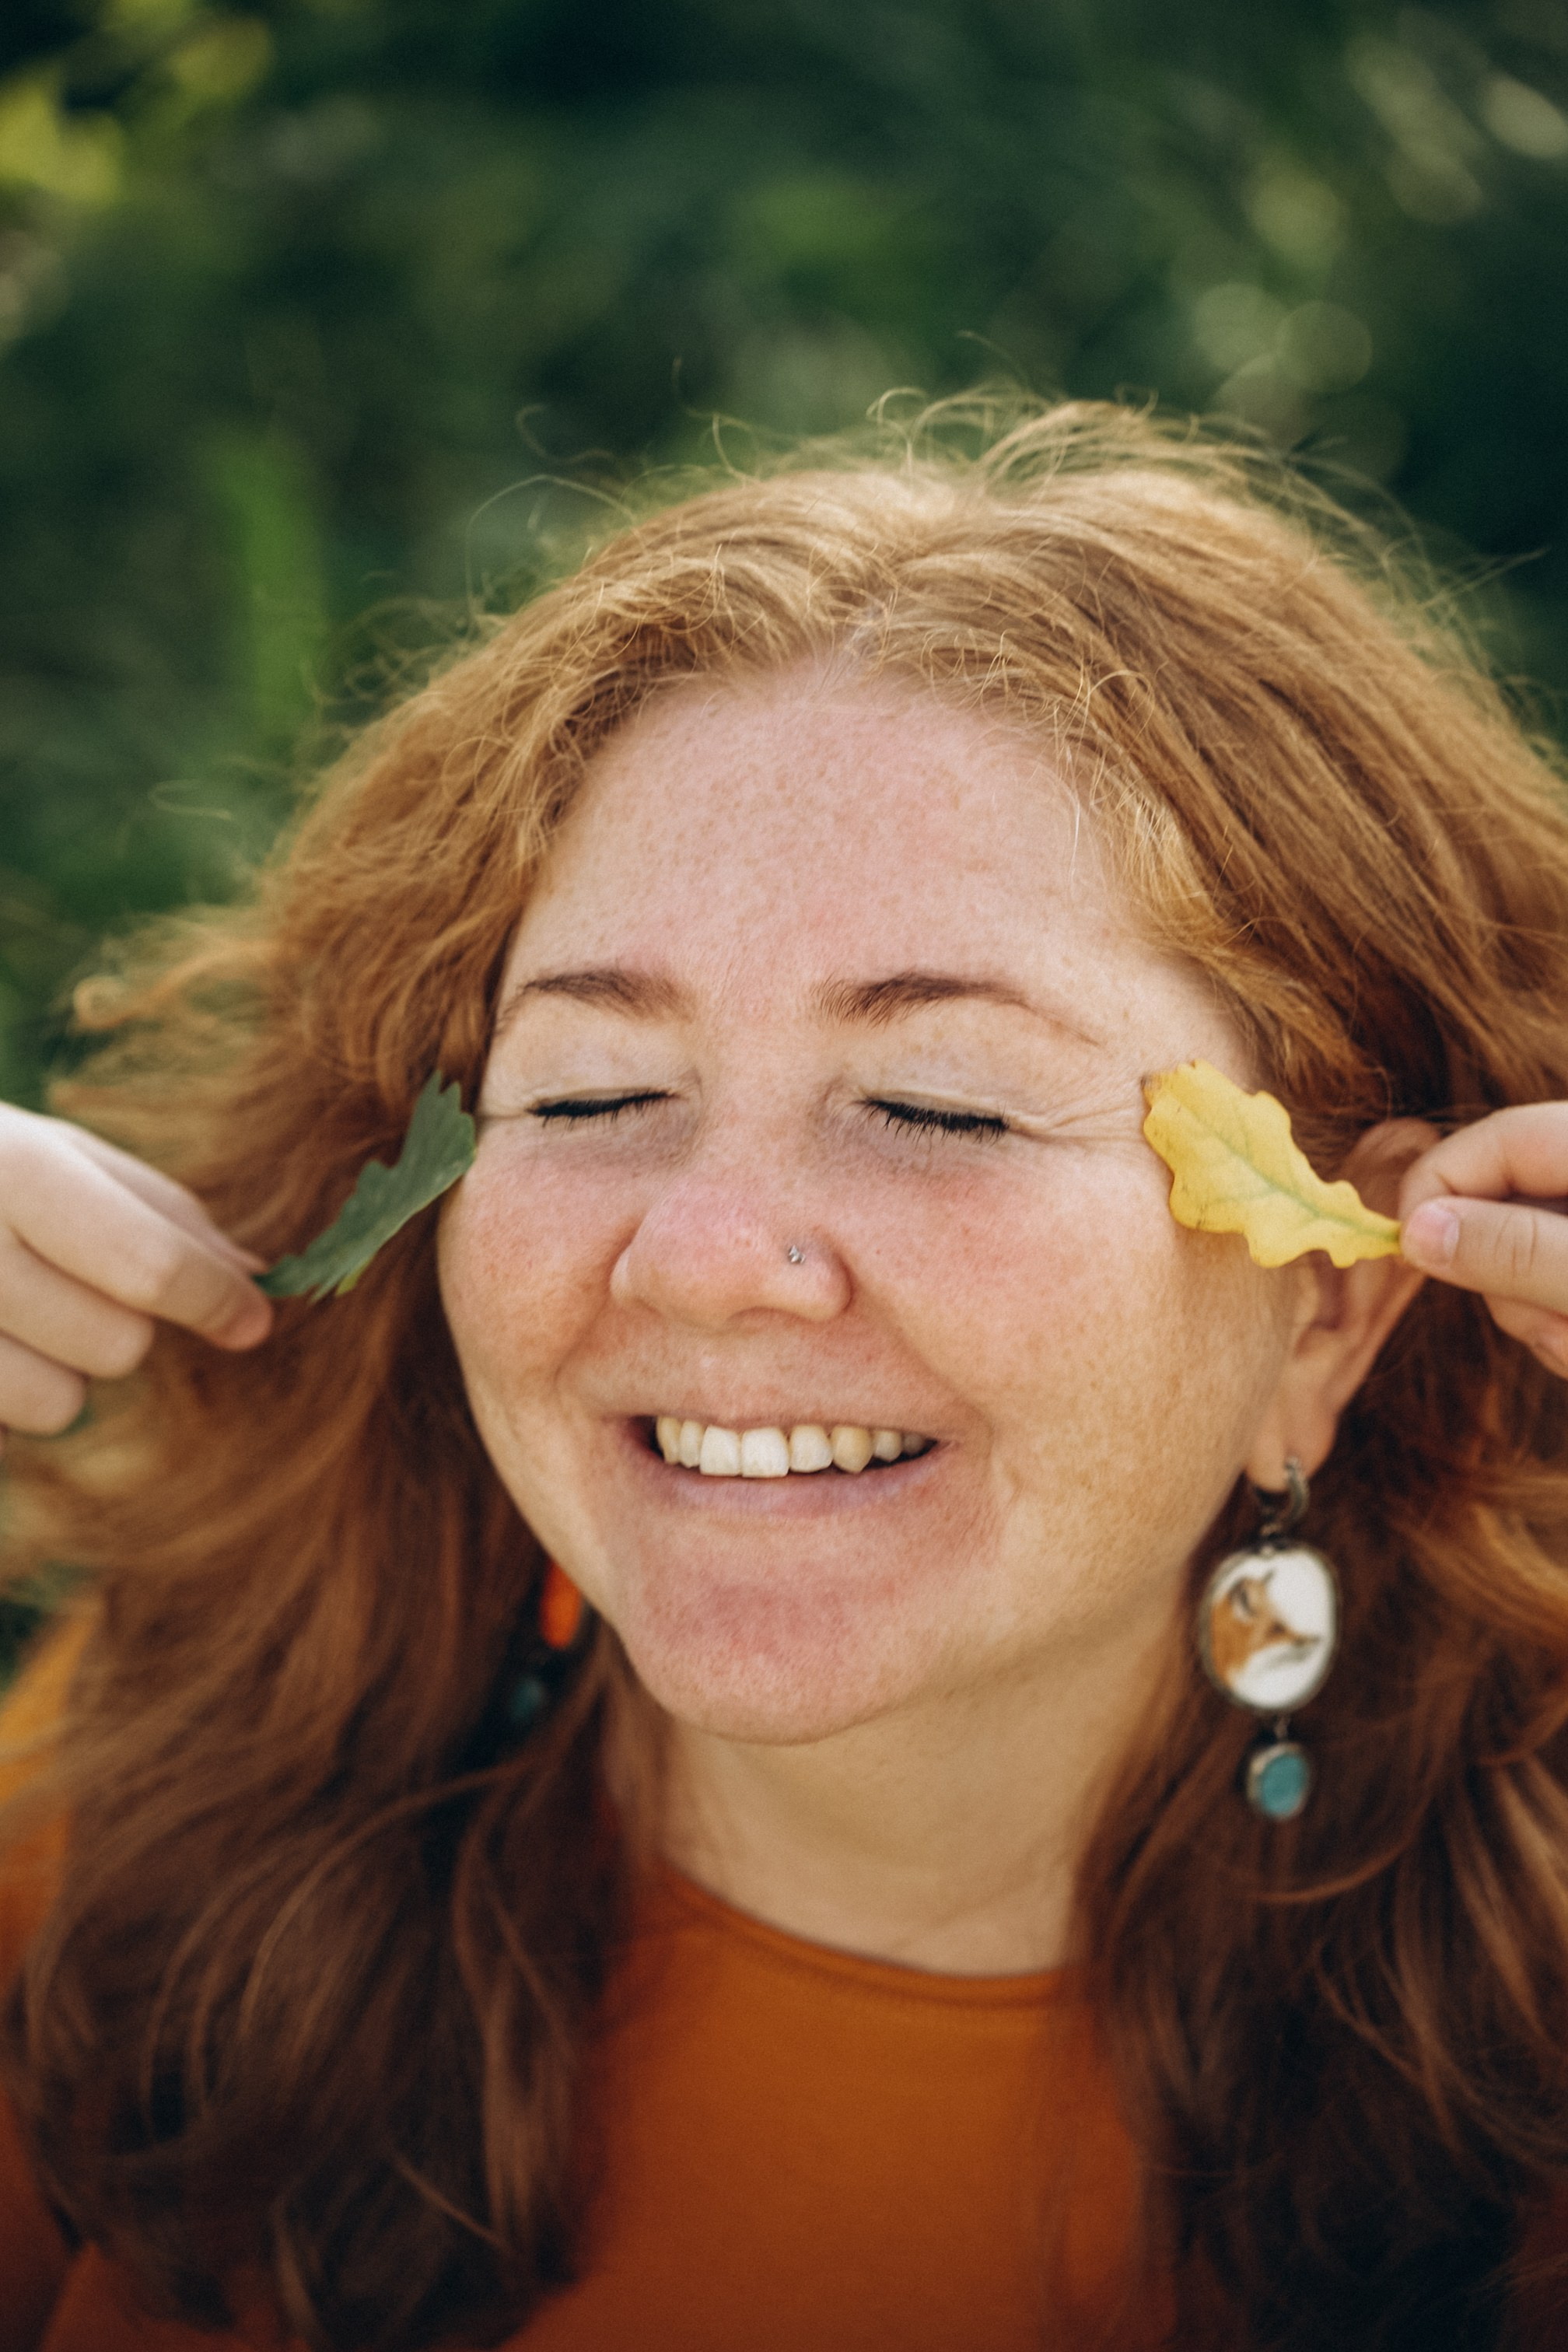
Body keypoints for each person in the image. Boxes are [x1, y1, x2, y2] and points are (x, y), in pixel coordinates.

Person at [1, 401, 1567, 2352]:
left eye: (934, 1103)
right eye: (591, 1091)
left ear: (1333, 1303)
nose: (706, 1255)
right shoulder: (146, 1804)